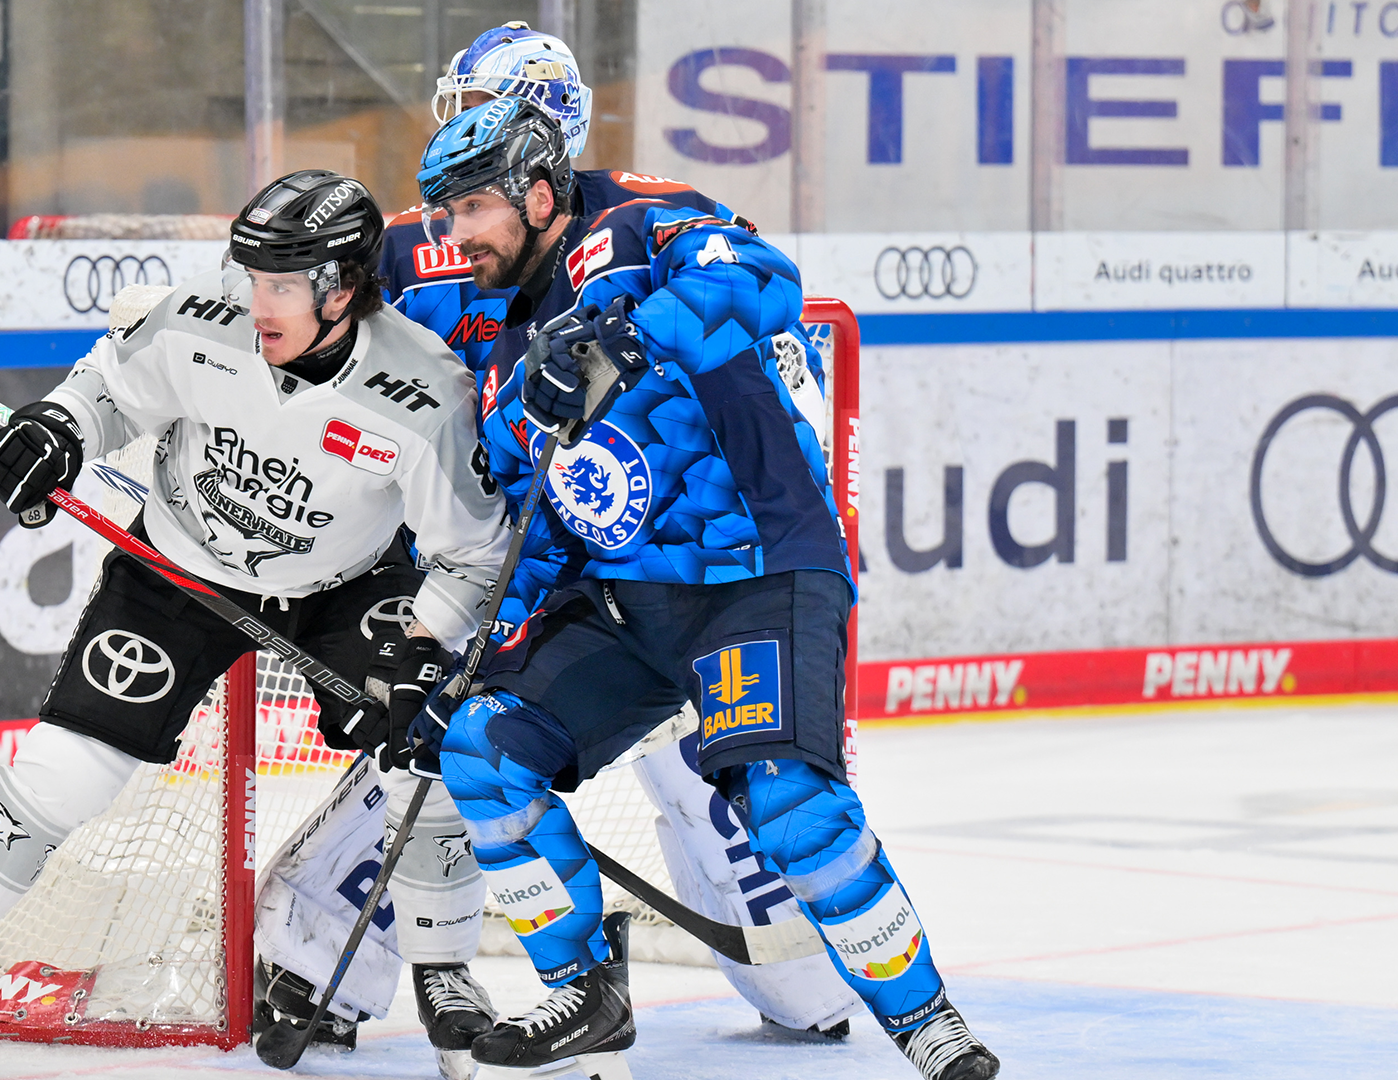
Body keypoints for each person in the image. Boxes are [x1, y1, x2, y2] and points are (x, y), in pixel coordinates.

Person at [255, 22, 861, 1077]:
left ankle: (801, 966)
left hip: (644, 556)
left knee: (713, 759)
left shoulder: (639, 218)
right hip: (502, 551)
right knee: (444, 743)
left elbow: (752, 339)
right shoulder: (416, 239)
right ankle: (333, 967)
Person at [0, 169, 511, 1076]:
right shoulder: (202, 318)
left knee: (430, 754)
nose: (258, 302)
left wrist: (425, 644)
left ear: (343, 289)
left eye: (282, 285)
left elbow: (474, 553)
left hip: (345, 582)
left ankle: (446, 976)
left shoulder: (424, 390)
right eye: (253, 277)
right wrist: (57, 430)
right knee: (65, 771)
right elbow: (107, 389)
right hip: (178, 567)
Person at [409, 98, 1002, 1080]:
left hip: (757, 576)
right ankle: (585, 992)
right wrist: (475, 663)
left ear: (538, 193)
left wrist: (621, 338)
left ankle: (926, 1022)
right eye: (445, 214)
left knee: (789, 805)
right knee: (483, 750)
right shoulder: (508, 359)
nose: (454, 234)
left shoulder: (639, 227)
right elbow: (539, 536)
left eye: (471, 208)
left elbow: (763, 284)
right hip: (624, 609)